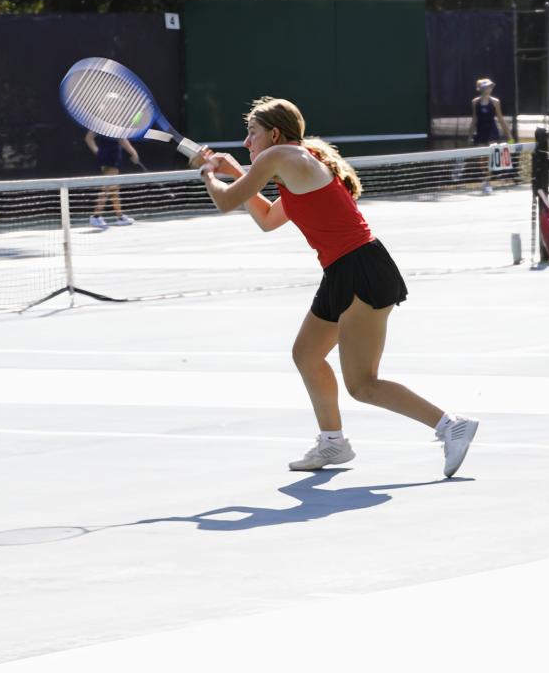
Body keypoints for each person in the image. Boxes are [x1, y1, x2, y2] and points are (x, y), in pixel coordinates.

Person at [192, 97, 478, 478]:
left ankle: (450, 425)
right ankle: (333, 442)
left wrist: (207, 175)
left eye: (252, 133)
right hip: (340, 272)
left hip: (362, 269)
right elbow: (266, 218)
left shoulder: (281, 157)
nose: (246, 143)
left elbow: (227, 202)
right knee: (307, 354)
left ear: (275, 133)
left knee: (363, 384)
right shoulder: (296, 162)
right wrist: (230, 171)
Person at [85, 130, 140, 229]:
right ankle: (96, 216)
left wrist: (98, 152)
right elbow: (122, 139)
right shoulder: (113, 122)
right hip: (110, 158)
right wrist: (133, 153)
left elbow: (88, 138)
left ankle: (120, 217)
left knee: (114, 189)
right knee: (107, 187)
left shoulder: (100, 123)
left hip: (106, 157)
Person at [469, 78, 513, 146]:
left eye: (490, 87)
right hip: (480, 132)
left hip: (492, 133)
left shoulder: (495, 102)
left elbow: (501, 119)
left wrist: (509, 137)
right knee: (482, 155)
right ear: (482, 88)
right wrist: (470, 136)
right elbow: (474, 119)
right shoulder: (474, 102)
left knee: (492, 153)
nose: (490, 88)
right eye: (487, 87)